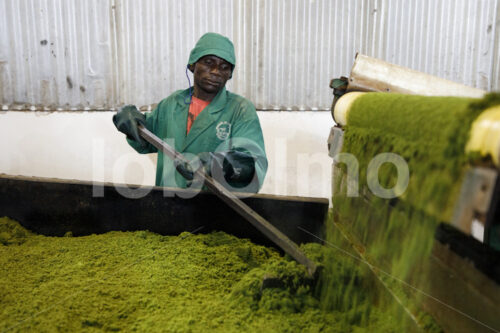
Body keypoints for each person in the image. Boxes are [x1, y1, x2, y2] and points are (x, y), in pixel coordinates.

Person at [112, 32, 268, 193]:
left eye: (224, 67)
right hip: (167, 202)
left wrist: (221, 164)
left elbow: (254, 164)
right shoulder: (172, 103)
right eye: (208, 63)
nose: (215, 71)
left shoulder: (240, 109)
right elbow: (145, 140)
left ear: (229, 75)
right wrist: (129, 118)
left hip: (213, 207)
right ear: (192, 65)